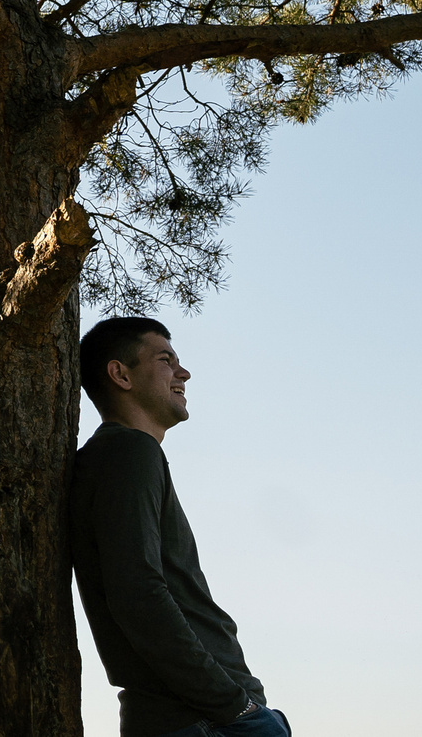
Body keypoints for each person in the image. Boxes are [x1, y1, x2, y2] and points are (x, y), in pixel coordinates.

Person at [68, 316, 285, 737]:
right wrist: (236, 708)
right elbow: (138, 594)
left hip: (205, 717)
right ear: (121, 375)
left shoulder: (121, 455)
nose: (183, 373)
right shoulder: (128, 451)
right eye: (166, 360)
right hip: (202, 720)